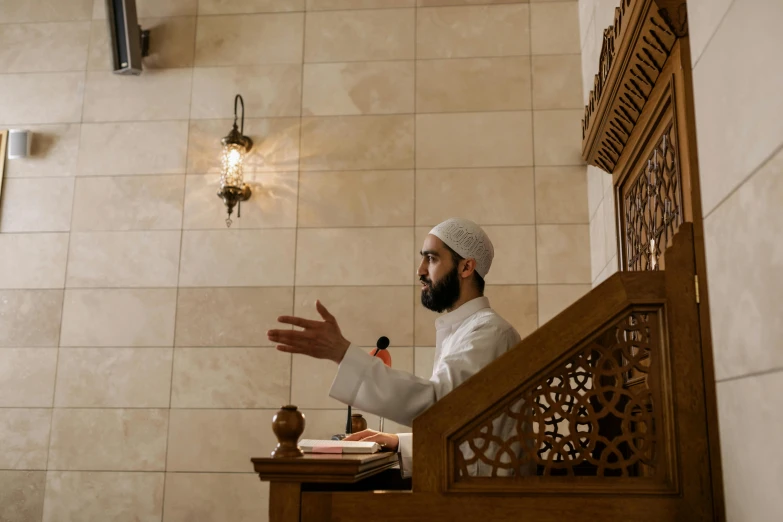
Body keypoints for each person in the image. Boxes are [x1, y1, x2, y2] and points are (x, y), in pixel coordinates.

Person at [267, 218, 521, 477]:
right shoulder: (465, 329)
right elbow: (467, 431)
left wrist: (341, 352)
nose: (420, 270)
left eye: (431, 259)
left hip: (486, 500)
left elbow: (440, 409)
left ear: (466, 267)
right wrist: (399, 441)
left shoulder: (490, 332)